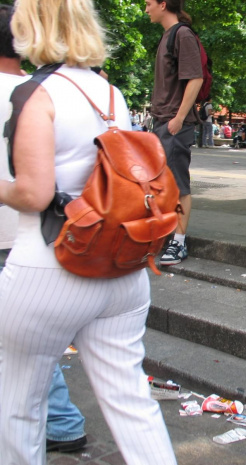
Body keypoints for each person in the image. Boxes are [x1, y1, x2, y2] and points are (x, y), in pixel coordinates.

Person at [0, 1, 178, 463]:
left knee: (19, 406)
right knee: (132, 402)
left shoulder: (36, 93)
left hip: (52, 263)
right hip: (122, 267)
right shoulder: (109, 92)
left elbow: (35, 194)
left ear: (31, 24)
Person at [0, 3, 88, 456]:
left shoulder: (38, 94)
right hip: (54, 241)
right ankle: (63, 420)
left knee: (20, 361)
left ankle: (60, 421)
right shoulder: (75, 90)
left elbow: (34, 192)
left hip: (26, 242)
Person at [147, 0, 203, 265]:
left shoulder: (182, 34)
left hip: (173, 123)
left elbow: (196, 77)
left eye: (148, 3)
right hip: (163, 121)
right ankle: (168, 235)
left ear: (163, 4)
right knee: (164, 184)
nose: (146, 9)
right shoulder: (167, 36)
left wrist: (179, 118)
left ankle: (179, 243)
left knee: (179, 185)